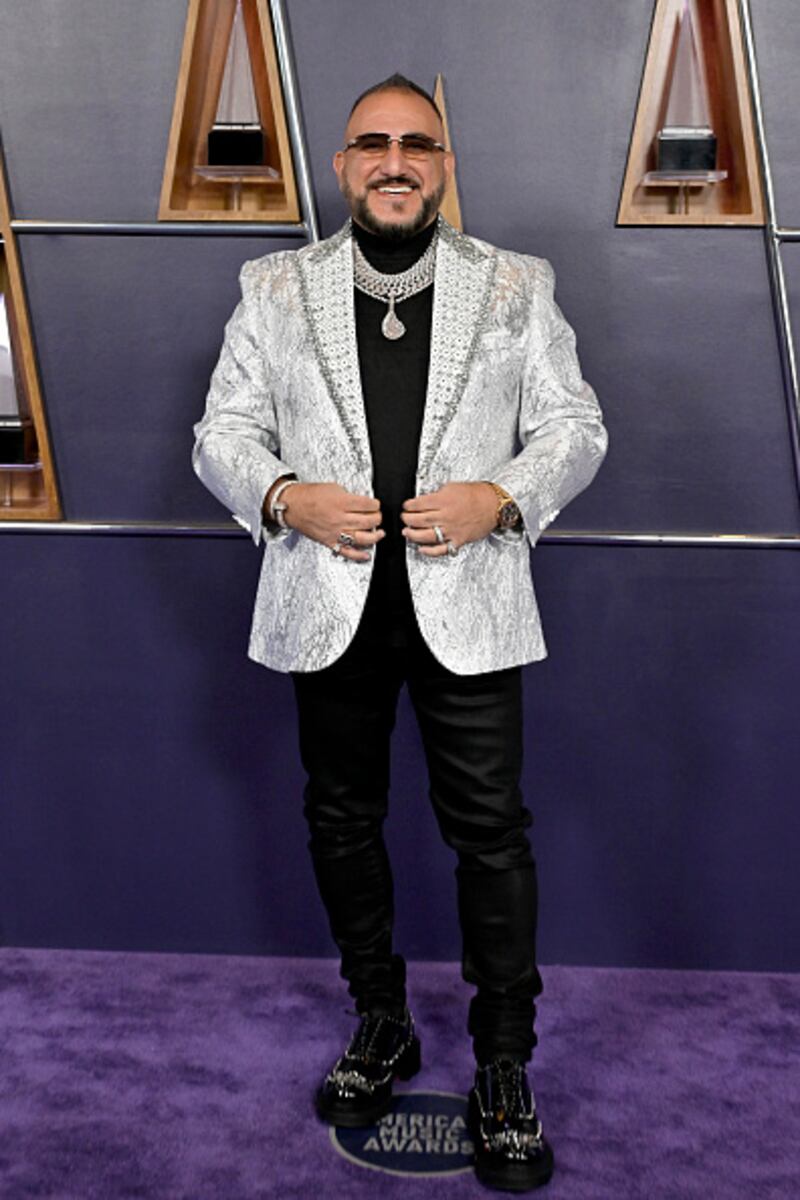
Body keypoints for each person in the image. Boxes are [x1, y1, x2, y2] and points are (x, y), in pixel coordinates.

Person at [193, 73, 607, 1193]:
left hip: (468, 606)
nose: (394, 161)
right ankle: (380, 1020)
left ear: (443, 166)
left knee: (492, 837)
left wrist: (501, 498)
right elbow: (221, 433)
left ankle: (504, 1066)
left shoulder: (517, 283)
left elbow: (574, 427)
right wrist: (284, 496)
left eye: (416, 145)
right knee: (341, 821)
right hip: (326, 607)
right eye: (372, 144)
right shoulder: (274, 285)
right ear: (342, 165)